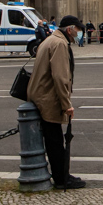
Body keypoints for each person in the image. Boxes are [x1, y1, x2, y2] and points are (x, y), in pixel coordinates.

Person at [27, 16, 86, 189]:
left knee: (53, 140)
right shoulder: (59, 44)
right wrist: (66, 104)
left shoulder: (50, 40)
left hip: (40, 95)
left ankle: (62, 174)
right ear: (69, 29)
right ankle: (61, 178)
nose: (78, 33)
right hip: (48, 98)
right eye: (77, 30)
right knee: (55, 142)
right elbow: (60, 77)